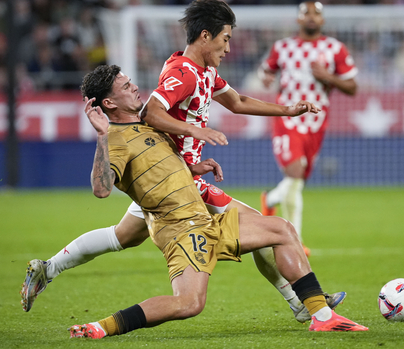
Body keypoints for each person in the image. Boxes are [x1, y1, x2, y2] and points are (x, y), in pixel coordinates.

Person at [20, 0, 346, 323]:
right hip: (177, 182)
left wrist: (287, 109)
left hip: (176, 173)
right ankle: (300, 301)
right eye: (225, 39)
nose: (228, 48)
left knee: (122, 236)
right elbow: (151, 112)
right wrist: (194, 130)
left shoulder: (206, 71)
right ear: (206, 36)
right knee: (268, 229)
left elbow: (237, 100)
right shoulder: (183, 72)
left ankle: (49, 269)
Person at [69, 65, 368, 337]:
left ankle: (321, 315)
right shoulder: (115, 140)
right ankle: (99, 327)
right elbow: (101, 189)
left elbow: (160, 167)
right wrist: (102, 136)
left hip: (204, 219)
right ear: (108, 103)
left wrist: (192, 168)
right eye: (125, 86)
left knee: (281, 230)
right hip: (181, 231)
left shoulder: (145, 128)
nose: (134, 87)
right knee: (188, 303)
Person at [259, 1, 358, 256]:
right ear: (298, 20)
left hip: (316, 121)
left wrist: (328, 78)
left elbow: (352, 87)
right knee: (294, 173)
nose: (312, 18)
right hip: (288, 117)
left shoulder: (334, 48)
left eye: (316, 14)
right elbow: (266, 70)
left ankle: (269, 200)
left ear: (322, 20)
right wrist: (266, 77)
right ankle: (295, 241)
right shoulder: (283, 47)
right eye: (306, 14)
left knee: (298, 181)